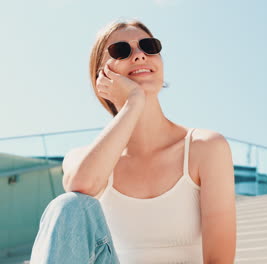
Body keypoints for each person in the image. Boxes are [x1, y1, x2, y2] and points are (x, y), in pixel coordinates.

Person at [29, 18, 237, 264]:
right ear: (102, 76)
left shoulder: (206, 148)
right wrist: (134, 102)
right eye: (121, 51)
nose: (139, 55)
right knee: (68, 205)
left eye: (148, 46)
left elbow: (219, 260)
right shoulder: (80, 158)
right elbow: (82, 187)